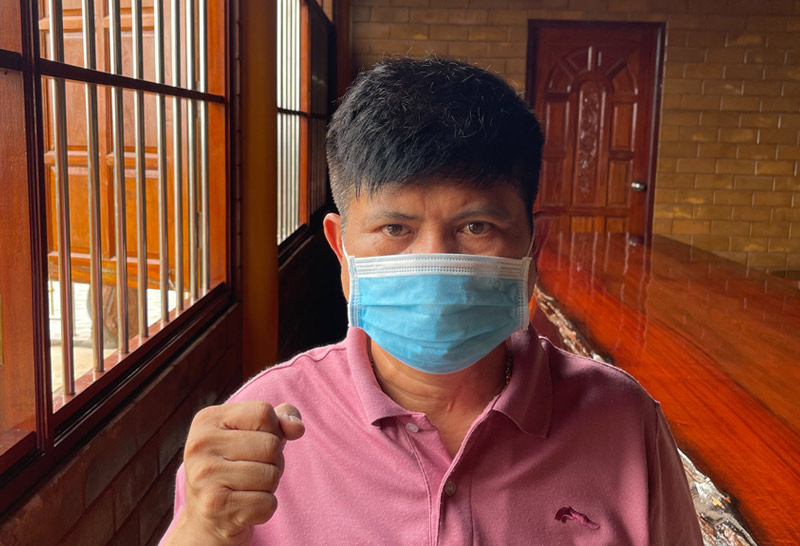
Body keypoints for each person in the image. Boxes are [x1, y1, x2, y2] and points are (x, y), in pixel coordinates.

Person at [160, 57, 702, 546]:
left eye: (476, 226)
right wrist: (201, 530)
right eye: (395, 228)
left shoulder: (623, 420)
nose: (435, 261)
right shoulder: (258, 432)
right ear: (341, 249)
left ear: (534, 247)